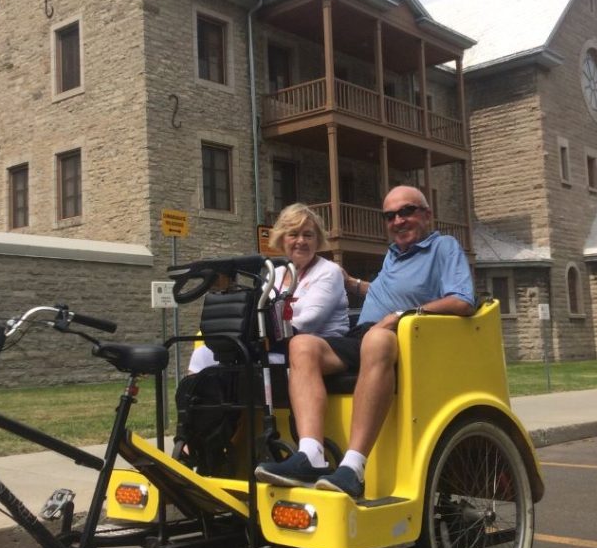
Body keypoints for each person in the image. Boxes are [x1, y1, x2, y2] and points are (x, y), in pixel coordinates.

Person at [255, 185, 475, 499]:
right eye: (390, 216)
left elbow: (463, 301)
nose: (398, 220)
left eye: (407, 211)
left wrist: (401, 314)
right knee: (301, 346)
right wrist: (353, 284)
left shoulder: (443, 248)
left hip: (409, 337)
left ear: (427, 215)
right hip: (364, 335)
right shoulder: (395, 254)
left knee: (376, 340)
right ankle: (311, 455)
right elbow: (386, 293)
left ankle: (353, 467)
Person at [187, 203, 349, 373]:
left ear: (317, 240)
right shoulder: (276, 273)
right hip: (274, 343)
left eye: (308, 235)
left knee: (261, 361)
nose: (301, 241)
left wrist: (260, 333)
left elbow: (308, 322)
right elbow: (259, 309)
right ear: (282, 239)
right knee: (203, 353)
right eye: (293, 234)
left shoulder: (329, 271)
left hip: (318, 345)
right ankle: (197, 398)